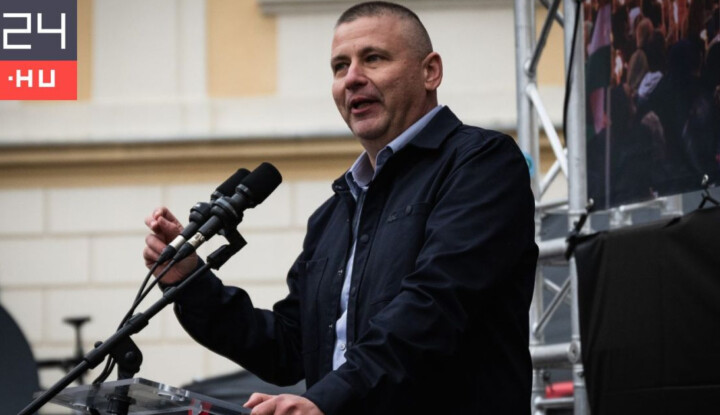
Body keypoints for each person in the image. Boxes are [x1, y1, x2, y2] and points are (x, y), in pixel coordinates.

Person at [143, 2, 537, 414]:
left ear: (430, 72)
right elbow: (290, 347)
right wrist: (192, 283)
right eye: (339, 66)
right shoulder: (334, 213)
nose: (352, 78)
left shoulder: (481, 163)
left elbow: (436, 306)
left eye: (373, 58)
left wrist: (325, 401)